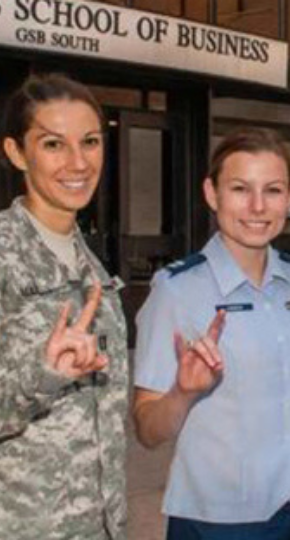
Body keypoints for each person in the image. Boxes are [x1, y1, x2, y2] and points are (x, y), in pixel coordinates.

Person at [133, 127, 290, 540]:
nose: (257, 207)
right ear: (211, 192)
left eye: (273, 190)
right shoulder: (176, 289)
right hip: (215, 522)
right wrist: (183, 393)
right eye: (240, 188)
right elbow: (147, 431)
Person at [0, 73, 128, 539]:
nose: (78, 162)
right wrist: (42, 372)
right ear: (16, 153)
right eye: (53, 144)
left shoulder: (92, 268)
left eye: (90, 142)